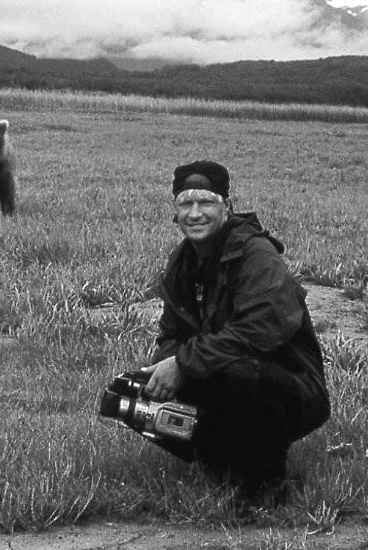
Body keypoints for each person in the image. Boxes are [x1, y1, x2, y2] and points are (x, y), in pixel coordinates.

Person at [140, 160, 330, 497]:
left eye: (206, 202)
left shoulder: (257, 255)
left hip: (287, 386)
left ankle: (264, 486)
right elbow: (171, 333)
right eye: (186, 203)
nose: (195, 213)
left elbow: (260, 332)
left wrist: (183, 365)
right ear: (175, 211)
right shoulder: (182, 263)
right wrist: (168, 367)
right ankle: (219, 459)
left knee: (237, 375)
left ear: (226, 206)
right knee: (131, 399)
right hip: (217, 372)